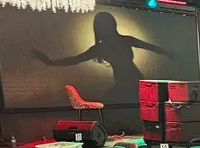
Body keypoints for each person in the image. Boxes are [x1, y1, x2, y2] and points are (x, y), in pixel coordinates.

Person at [30, 11, 171, 101]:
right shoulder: (106, 46)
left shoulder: (107, 46)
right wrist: (49, 62)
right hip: (128, 81)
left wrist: (50, 62)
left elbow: (151, 47)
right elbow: (75, 60)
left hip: (131, 81)